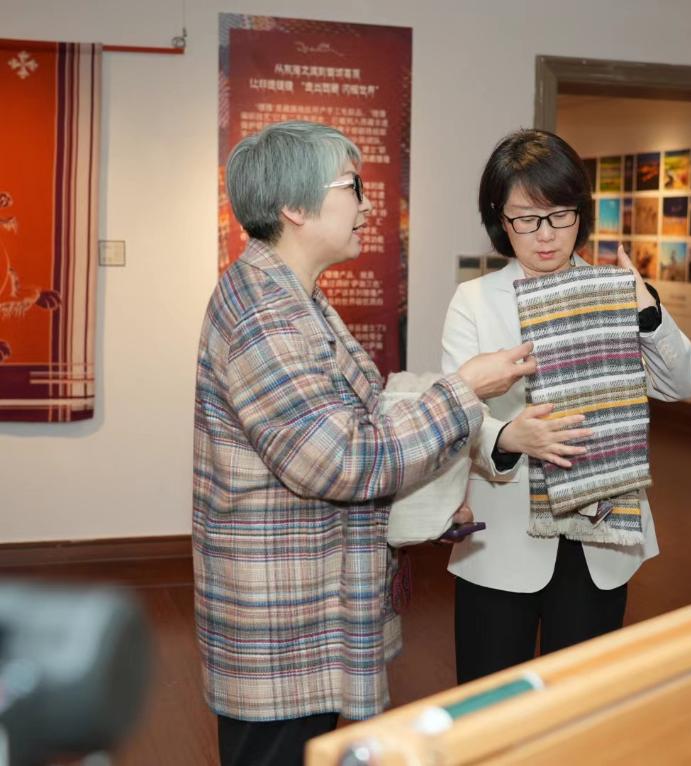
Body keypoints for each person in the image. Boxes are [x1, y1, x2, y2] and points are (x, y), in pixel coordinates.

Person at [193, 120, 535, 766]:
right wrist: (463, 390)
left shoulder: (291, 295)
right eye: (352, 186)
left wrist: (430, 506)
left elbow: (362, 415)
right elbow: (343, 460)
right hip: (282, 616)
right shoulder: (266, 317)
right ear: (295, 208)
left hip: (299, 603)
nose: (367, 204)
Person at [441, 129, 691, 684]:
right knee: (493, 705)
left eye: (559, 216)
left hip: (600, 539)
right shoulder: (475, 301)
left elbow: (682, 384)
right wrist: (510, 437)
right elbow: (456, 417)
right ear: (500, 220)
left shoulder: (615, 290)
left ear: (580, 212)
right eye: (525, 219)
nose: (545, 235)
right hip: (502, 542)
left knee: (584, 703)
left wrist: (647, 313)